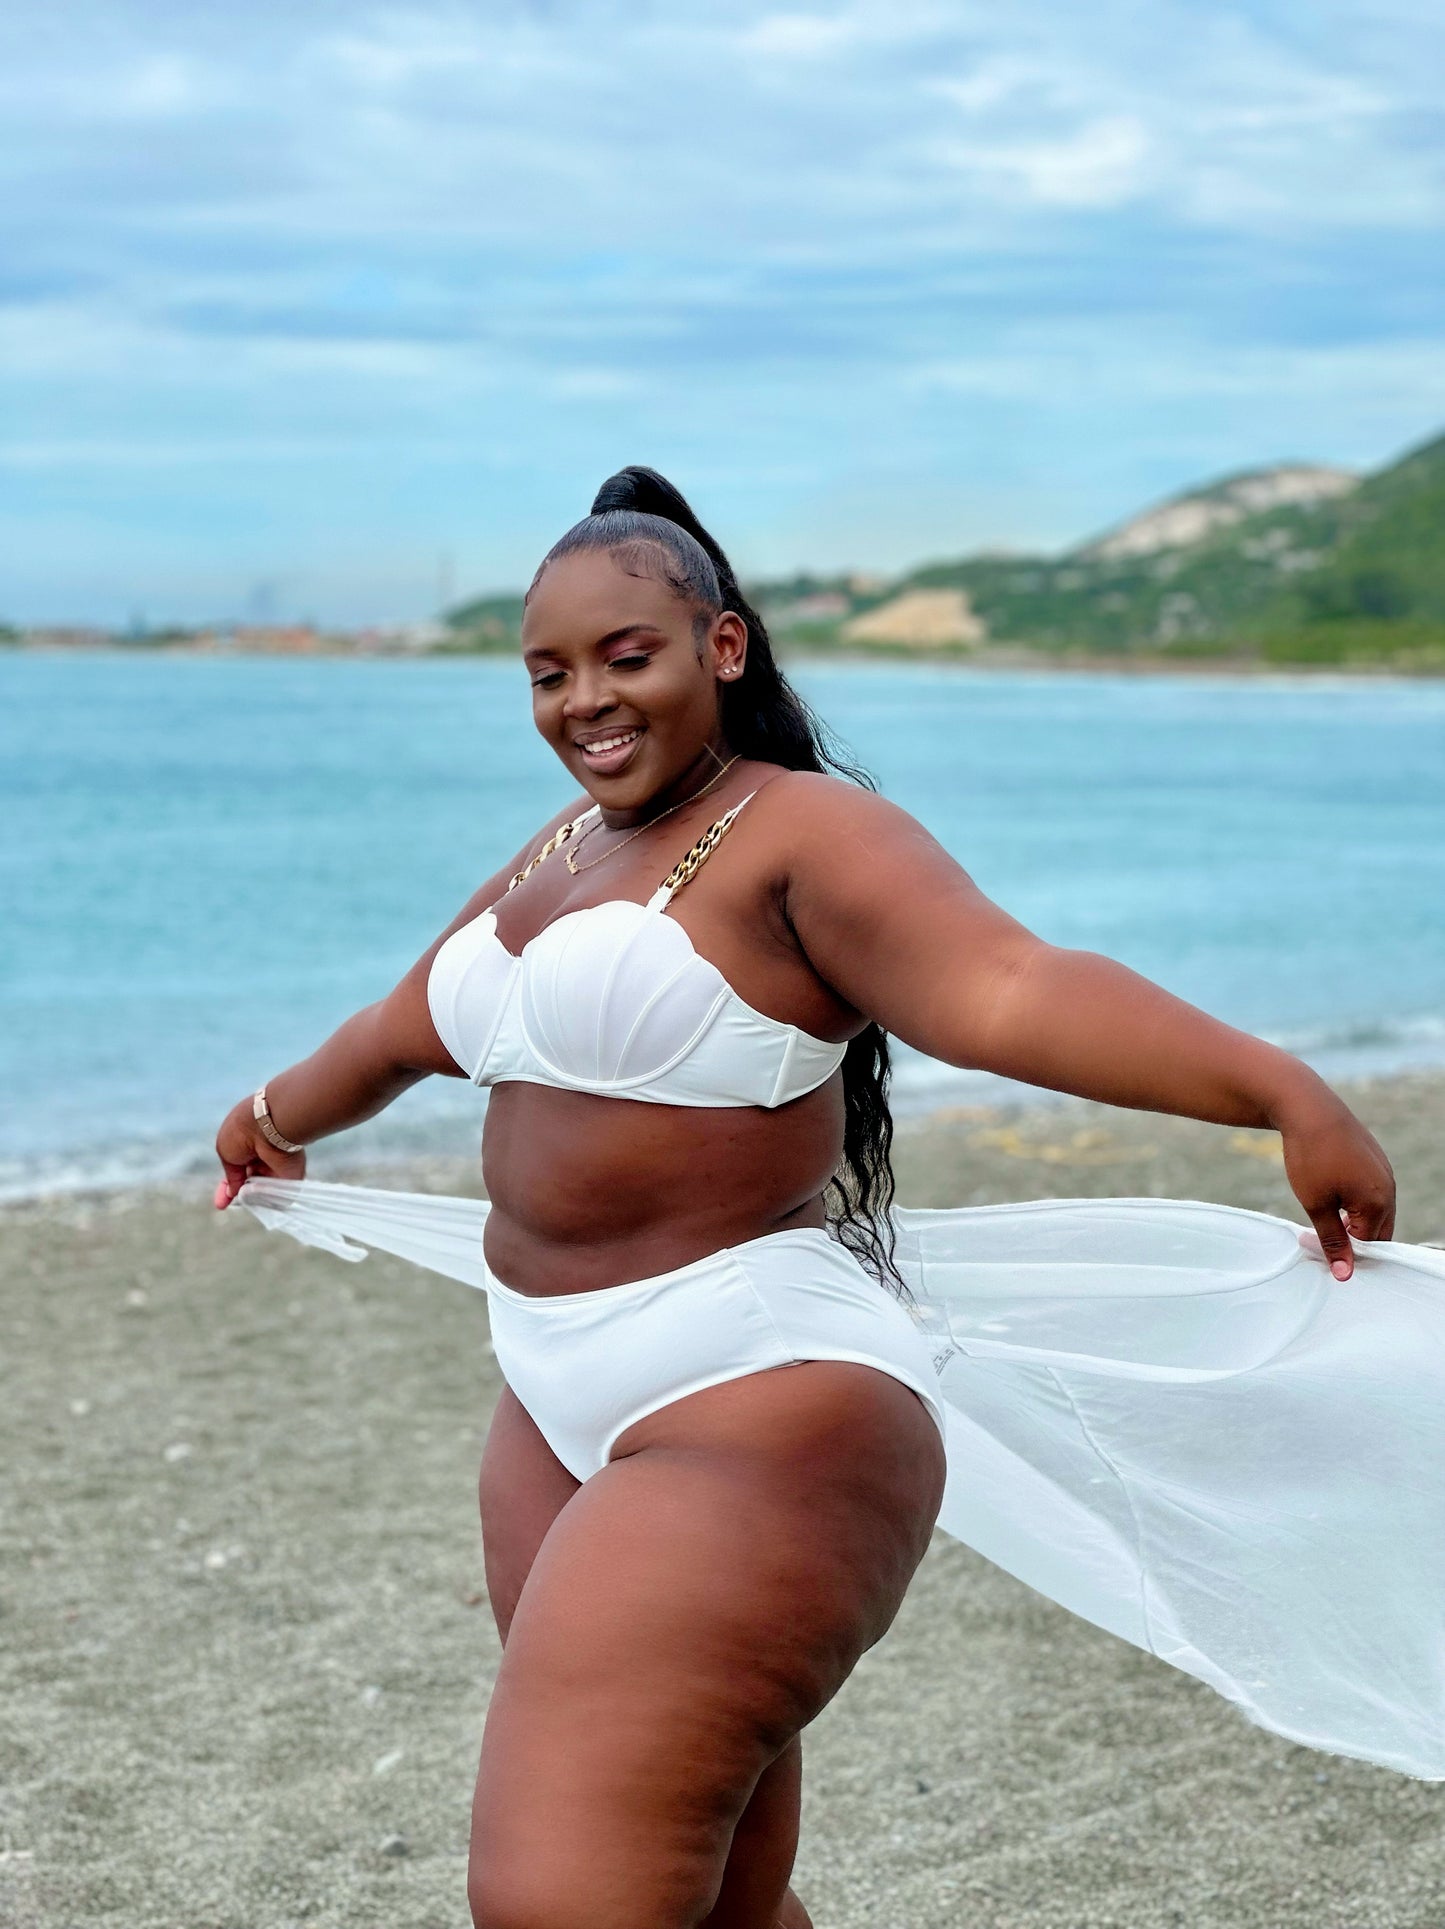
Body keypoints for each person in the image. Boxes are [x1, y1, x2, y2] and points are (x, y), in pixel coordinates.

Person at [214, 467, 1421, 1929]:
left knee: (559, 1900)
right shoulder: (559, 849)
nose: (582, 699)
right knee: (717, 1899)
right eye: (548, 672)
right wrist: (270, 1115)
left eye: (625, 656)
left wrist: (1275, 1088)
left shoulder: (801, 834)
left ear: (722, 649)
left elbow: (1008, 987)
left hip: (750, 1397)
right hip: (545, 1393)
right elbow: (405, 1026)